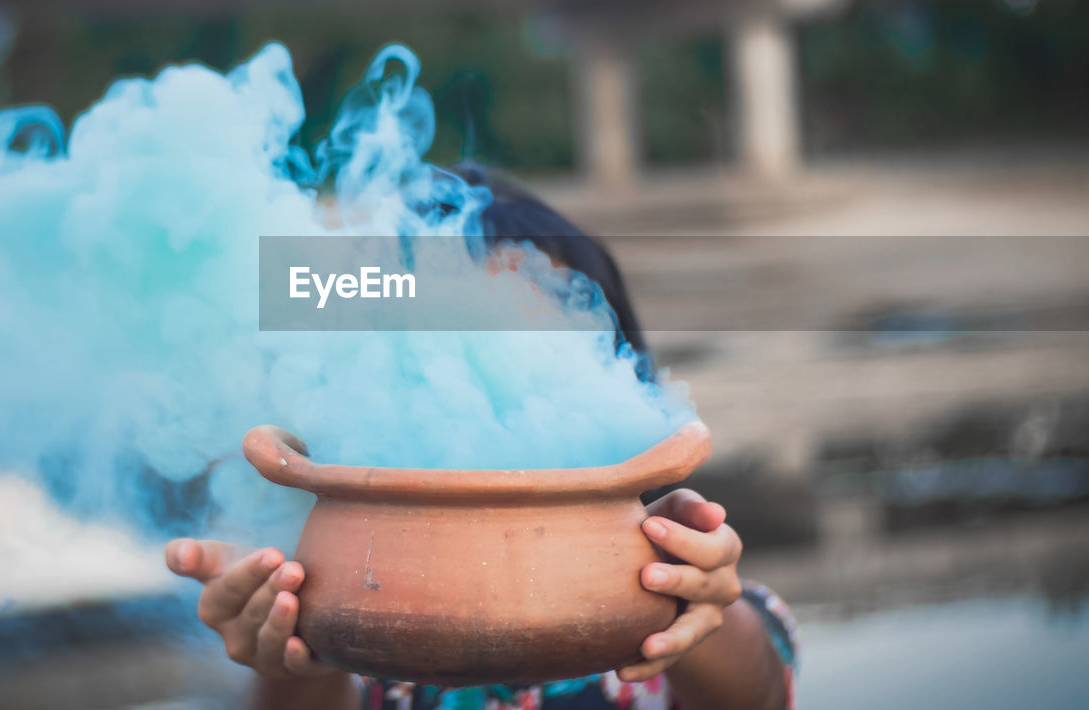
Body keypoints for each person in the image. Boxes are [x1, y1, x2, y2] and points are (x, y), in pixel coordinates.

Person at [166, 166, 797, 710]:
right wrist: (296, 650)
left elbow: (760, 694)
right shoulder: (344, 586)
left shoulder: (670, 574)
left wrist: (701, 608)